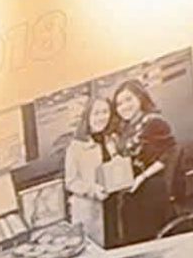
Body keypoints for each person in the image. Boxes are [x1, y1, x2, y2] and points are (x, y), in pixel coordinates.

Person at [105, 80, 181, 244]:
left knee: (143, 237)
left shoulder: (154, 122)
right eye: (119, 104)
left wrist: (142, 177)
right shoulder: (126, 127)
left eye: (128, 99)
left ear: (140, 97)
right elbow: (110, 139)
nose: (124, 106)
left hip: (150, 188)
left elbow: (169, 153)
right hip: (132, 190)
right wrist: (114, 154)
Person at [61, 95, 112, 249]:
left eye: (105, 112)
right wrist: (92, 189)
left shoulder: (112, 139)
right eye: (96, 113)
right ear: (87, 117)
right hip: (91, 209)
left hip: (114, 206)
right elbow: (70, 182)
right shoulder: (76, 147)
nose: (101, 117)